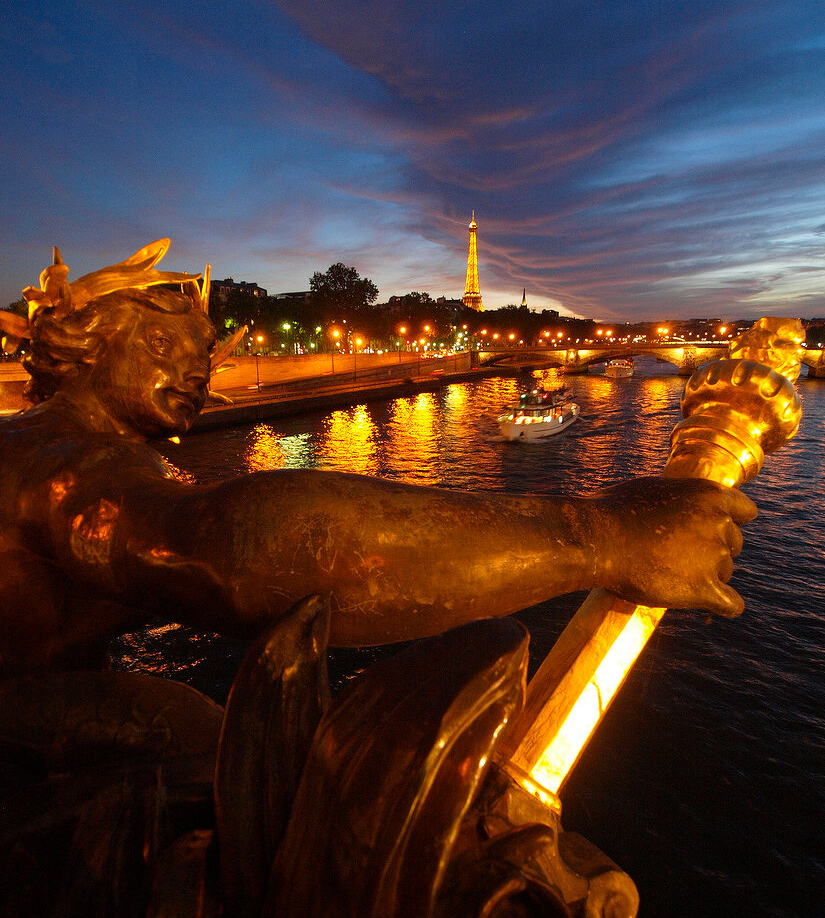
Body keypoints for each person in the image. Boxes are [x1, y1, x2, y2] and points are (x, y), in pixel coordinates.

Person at [0, 246, 756, 676]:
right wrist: (601, 536)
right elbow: (222, 553)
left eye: (205, 357)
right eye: (167, 347)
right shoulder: (69, 463)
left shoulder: (37, 442)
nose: (198, 374)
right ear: (87, 341)